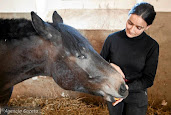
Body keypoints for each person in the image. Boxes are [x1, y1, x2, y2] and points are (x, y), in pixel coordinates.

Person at [100, 2, 159, 115]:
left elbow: (148, 79)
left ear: (147, 27)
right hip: (114, 89)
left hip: (137, 93)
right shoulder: (112, 39)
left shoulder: (152, 46)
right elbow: (99, 64)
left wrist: (126, 88)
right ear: (127, 17)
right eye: (130, 23)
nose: (131, 30)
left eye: (138, 27)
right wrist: (111, 65)